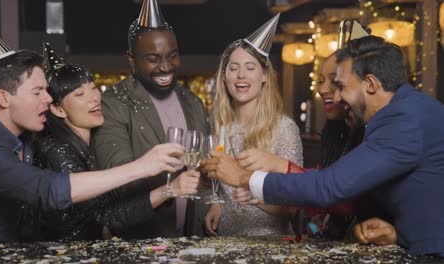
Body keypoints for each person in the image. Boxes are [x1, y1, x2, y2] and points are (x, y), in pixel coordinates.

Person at [202, 35, 444, 257]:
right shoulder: (408, 111)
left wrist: (245, 178)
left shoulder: (404, 121)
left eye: (342, 86)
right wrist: (398, 234)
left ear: (370, 84)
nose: (336, 97)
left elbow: (328, 186)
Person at [0, 18, 184, 243]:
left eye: (47, 91)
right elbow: (48, 190)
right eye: (37, 92)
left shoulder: (30, 137)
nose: (47, 99)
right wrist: (143, 166)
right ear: (4, 98)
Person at [18, 43, 199, 242]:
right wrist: (169, 188)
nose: (94, 98)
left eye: (93, 88)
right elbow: (110, 216)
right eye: (79, 94)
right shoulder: (57, 151)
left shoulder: (93, 143)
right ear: (58, 109)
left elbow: (109, 211)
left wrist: (171, 187)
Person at [93, 0, 209, 238]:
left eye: (172, 55)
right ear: (131, 59)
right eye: (153, 58)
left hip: (190, 240)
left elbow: (204, 169)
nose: (166, 67)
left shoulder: (193, 102)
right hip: (141, 242)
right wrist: (169, 184)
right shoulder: (114, 104)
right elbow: (116, 179)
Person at [203, 14, 303, 237]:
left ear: (265, 75)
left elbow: (294, 206)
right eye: (233, 67)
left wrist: (253, 195)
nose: (241, 75)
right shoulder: (218, 125)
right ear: (224, 75)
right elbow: (218, 183)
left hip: (271, 245)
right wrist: (217, 203)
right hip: (226, 242)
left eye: (250, 67)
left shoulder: (284, 129)